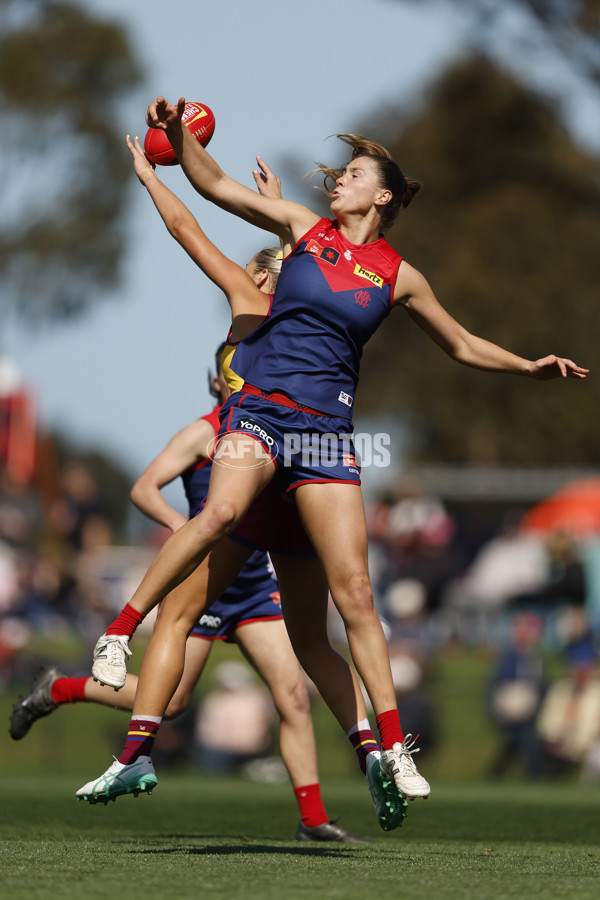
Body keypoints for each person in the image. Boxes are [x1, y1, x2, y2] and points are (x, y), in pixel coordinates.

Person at [80, 100, 587, 812]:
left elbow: (463, 344)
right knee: (218, 512)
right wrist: (175, 143)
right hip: (261, 415)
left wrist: (527, 366)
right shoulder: (301, 230)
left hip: (324, 435)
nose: (337, 181)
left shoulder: (398, 274)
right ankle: (116, 637)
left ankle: (392, 749)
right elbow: (215, 188)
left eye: (352, 174)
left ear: (382, 195)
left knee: (354, 596)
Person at [72, 138, 407, 832]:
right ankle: (134, 748)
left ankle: (370, 760)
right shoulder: (247, 297)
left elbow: (305, 245)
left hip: (295, 466)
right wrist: (152, 177)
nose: (281, 272)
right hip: (243, 462)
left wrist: (286, 212)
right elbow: (194, 223)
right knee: (190, 616)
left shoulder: (321, 293)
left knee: (301, 665)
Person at [10, 347, 370, 842]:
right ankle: (59, 688)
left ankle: (313, 819)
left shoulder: (272, 427)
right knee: (173, 702)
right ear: (219, 382)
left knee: (293, 696)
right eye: (239, 374)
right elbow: (143, 488)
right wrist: (185, 528)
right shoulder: (204, 432)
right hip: (204, 588)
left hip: (254, 587)